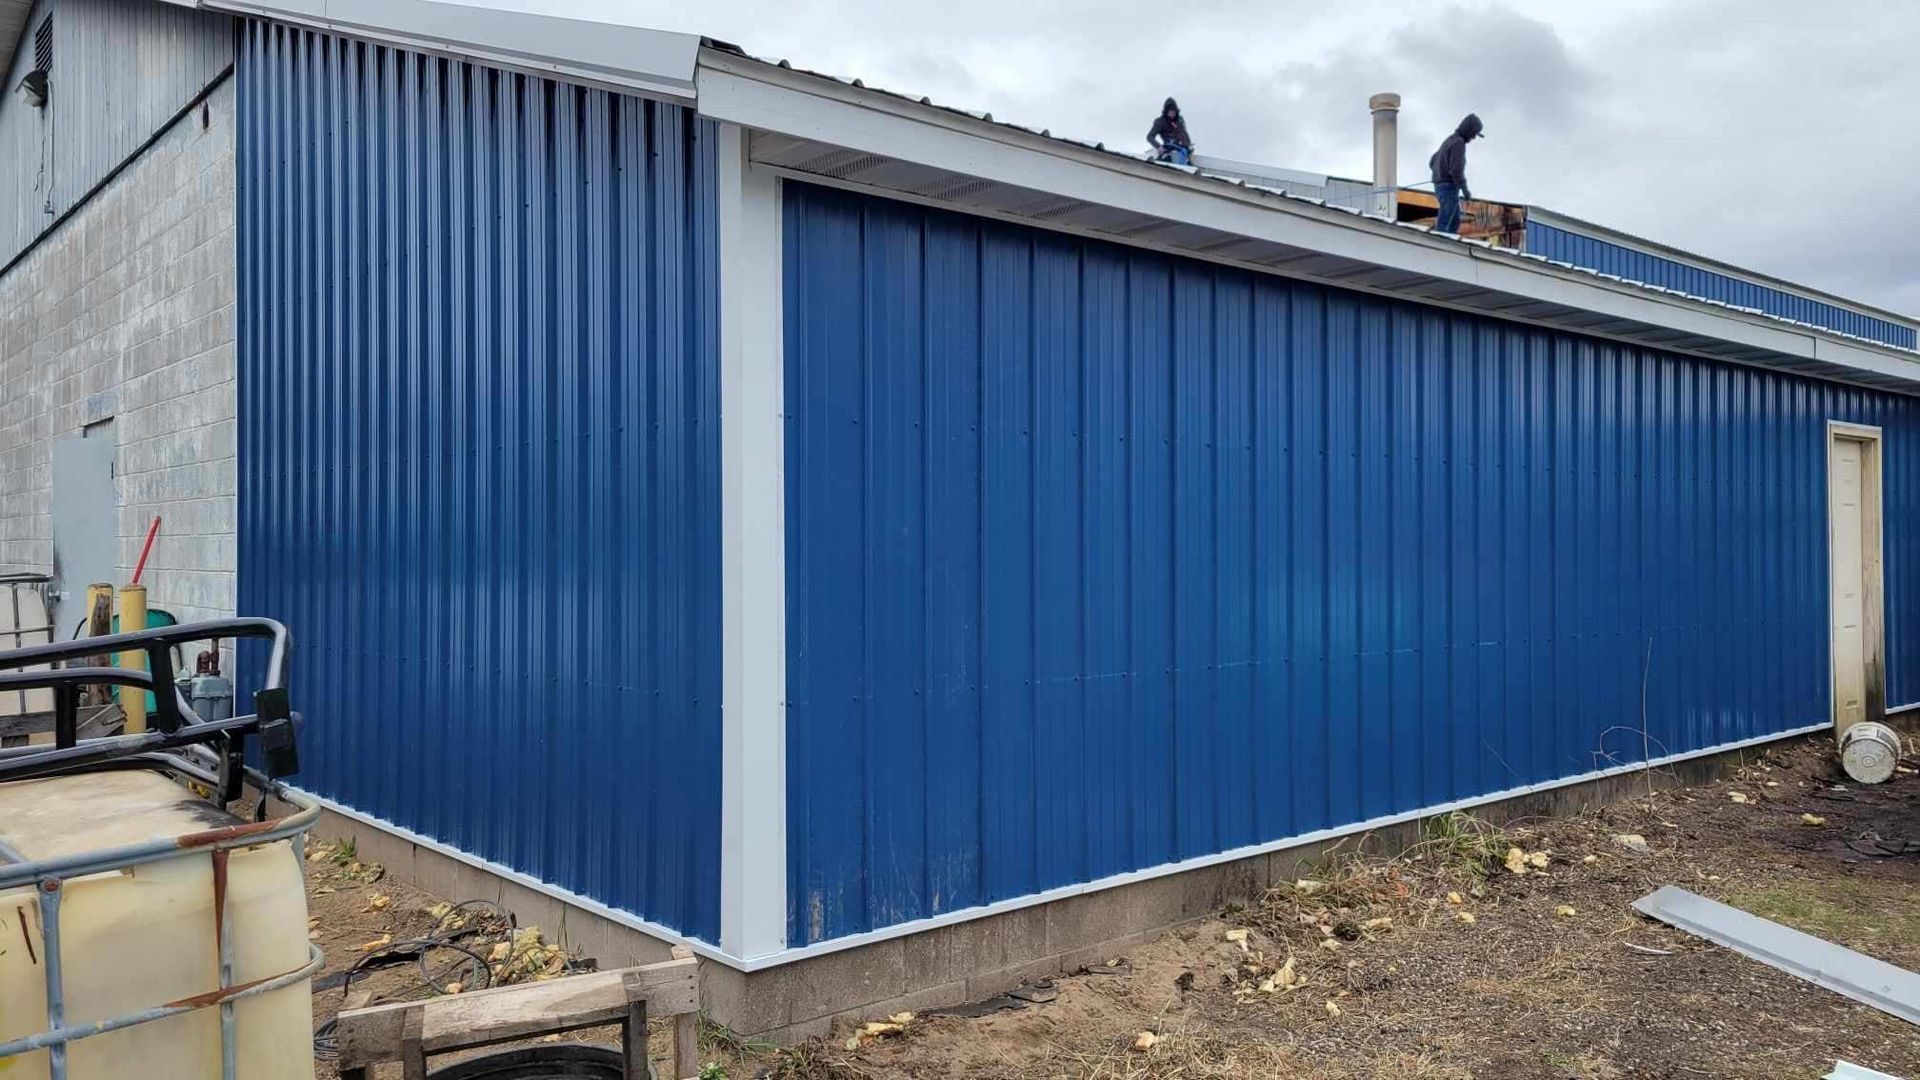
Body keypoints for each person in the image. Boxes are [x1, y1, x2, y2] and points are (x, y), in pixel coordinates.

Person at [1428, 113, 1484, 234]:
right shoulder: (1459, 143)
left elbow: (1432, 161)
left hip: (1440, 186)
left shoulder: (1449, 140)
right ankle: (1439, 244)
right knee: (1445, 221)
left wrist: (1439, 172)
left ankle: (1448, 241)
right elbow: (1456, 170)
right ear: (1469, 131)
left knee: (1454, 221)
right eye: (1474, 134)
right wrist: (1465, 191)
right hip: (1448, 187)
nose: (1473, 138)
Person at [1148, 98, 1193, 165]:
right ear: (1166, 112)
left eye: (1173, 112)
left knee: (1190, 169)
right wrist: (1158, 147)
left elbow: (1185, 136)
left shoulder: (1179, 120)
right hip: (1169, 151)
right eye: (1170, 112)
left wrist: (1188, 147)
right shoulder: (1160, 121)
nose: (1172, 114)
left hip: (1183, 152)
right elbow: (1150, 137)